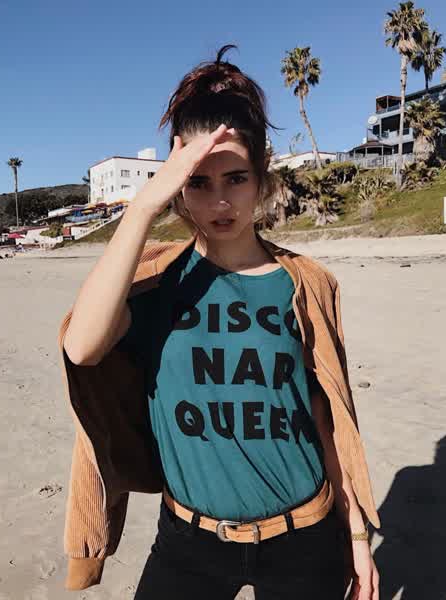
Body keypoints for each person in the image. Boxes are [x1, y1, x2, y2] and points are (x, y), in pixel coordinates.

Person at [62, 45, 379, 599]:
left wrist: (355, 532)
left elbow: (323, 415)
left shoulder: (305, 284)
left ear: (260, 178)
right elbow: (83, 347)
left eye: (235, 178)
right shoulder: (154, 284)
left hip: (304, 537)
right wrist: (143, 207)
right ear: (178, 185)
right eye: (199, 182)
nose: (219, 201)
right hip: (189, 542)